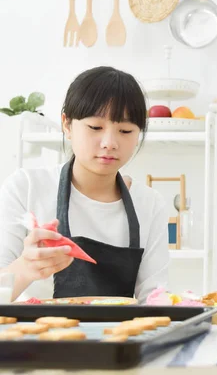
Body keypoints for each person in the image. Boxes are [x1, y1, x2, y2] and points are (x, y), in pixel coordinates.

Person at [0, 66, 169, 303]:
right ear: (67, 125)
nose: (110, 143)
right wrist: (27, 267)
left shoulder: (150, 204)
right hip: (34, 337)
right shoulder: (25, 188)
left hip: (119, 337)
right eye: (95, 127)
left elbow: (154, 299)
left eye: (125, 130)